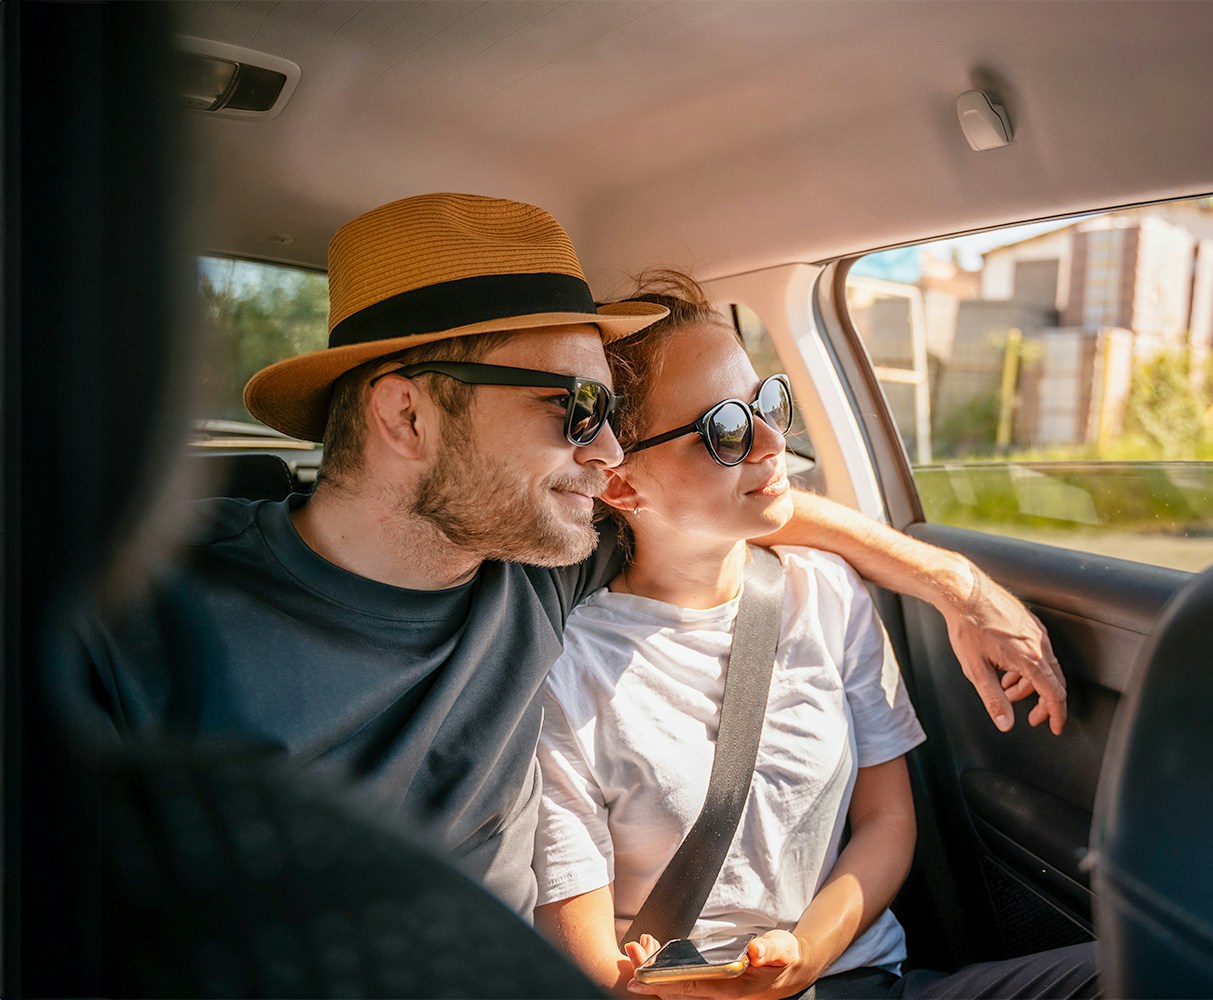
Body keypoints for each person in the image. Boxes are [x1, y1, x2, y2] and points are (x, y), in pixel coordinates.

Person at [69, 193, 1069, 922]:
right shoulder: (139, 614)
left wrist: (957, 583)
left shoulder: (539, 568)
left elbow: (758, 508)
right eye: (574, 410)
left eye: (611, 413)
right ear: (407, 413)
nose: (605, 452)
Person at [533, 271, 1097, 1000]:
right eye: (726, 430)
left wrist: (806, 951)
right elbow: (581, 946)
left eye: (767, 403)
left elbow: (887, 818)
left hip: (862, 980)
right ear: (619, 484)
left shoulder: (826, 591)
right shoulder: (572, 667)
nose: (774, 441)